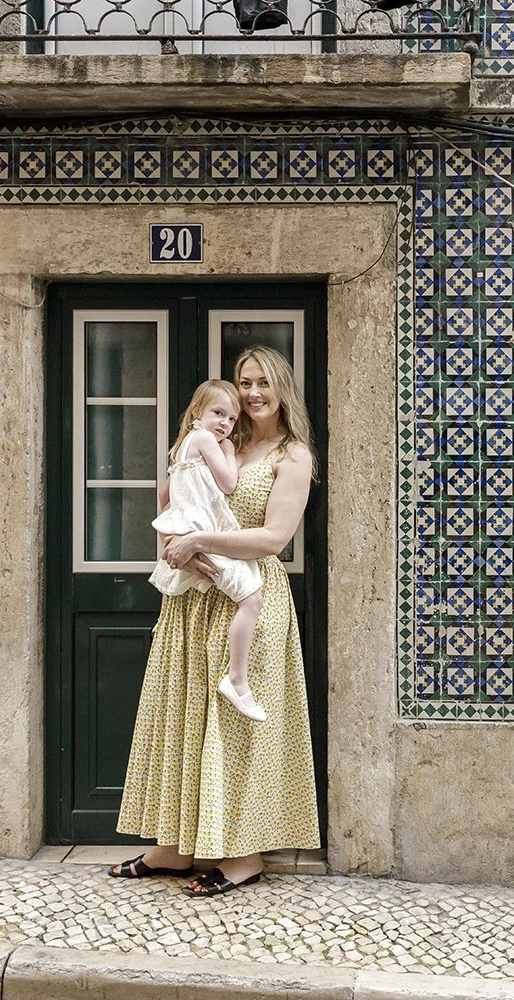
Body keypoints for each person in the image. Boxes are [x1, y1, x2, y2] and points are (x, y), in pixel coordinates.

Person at [109, 346, 321, 897]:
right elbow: (175, 496)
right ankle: (176, 848)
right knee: (183, 716)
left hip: (249, 595)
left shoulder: (293, 456)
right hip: (194, 598)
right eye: (244, 383)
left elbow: (273, 538)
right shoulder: (221, 438)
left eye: (263, 383)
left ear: (282, 388)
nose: (252, 393)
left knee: (235, 725)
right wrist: (174, 543)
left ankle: (245, 855)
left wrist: (200, 540)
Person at [149, 379, 267, 721]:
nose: (225, 424)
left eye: (231, 419)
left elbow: (163, 496)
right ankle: (237, 679)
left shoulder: (182, 448)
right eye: (218, 413)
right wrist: (228, 450)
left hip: (190, 531)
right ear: (196, 412)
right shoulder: (203, 439)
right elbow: (228, 482)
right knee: (252, 600)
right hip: (203, 533)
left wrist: (173, 530)